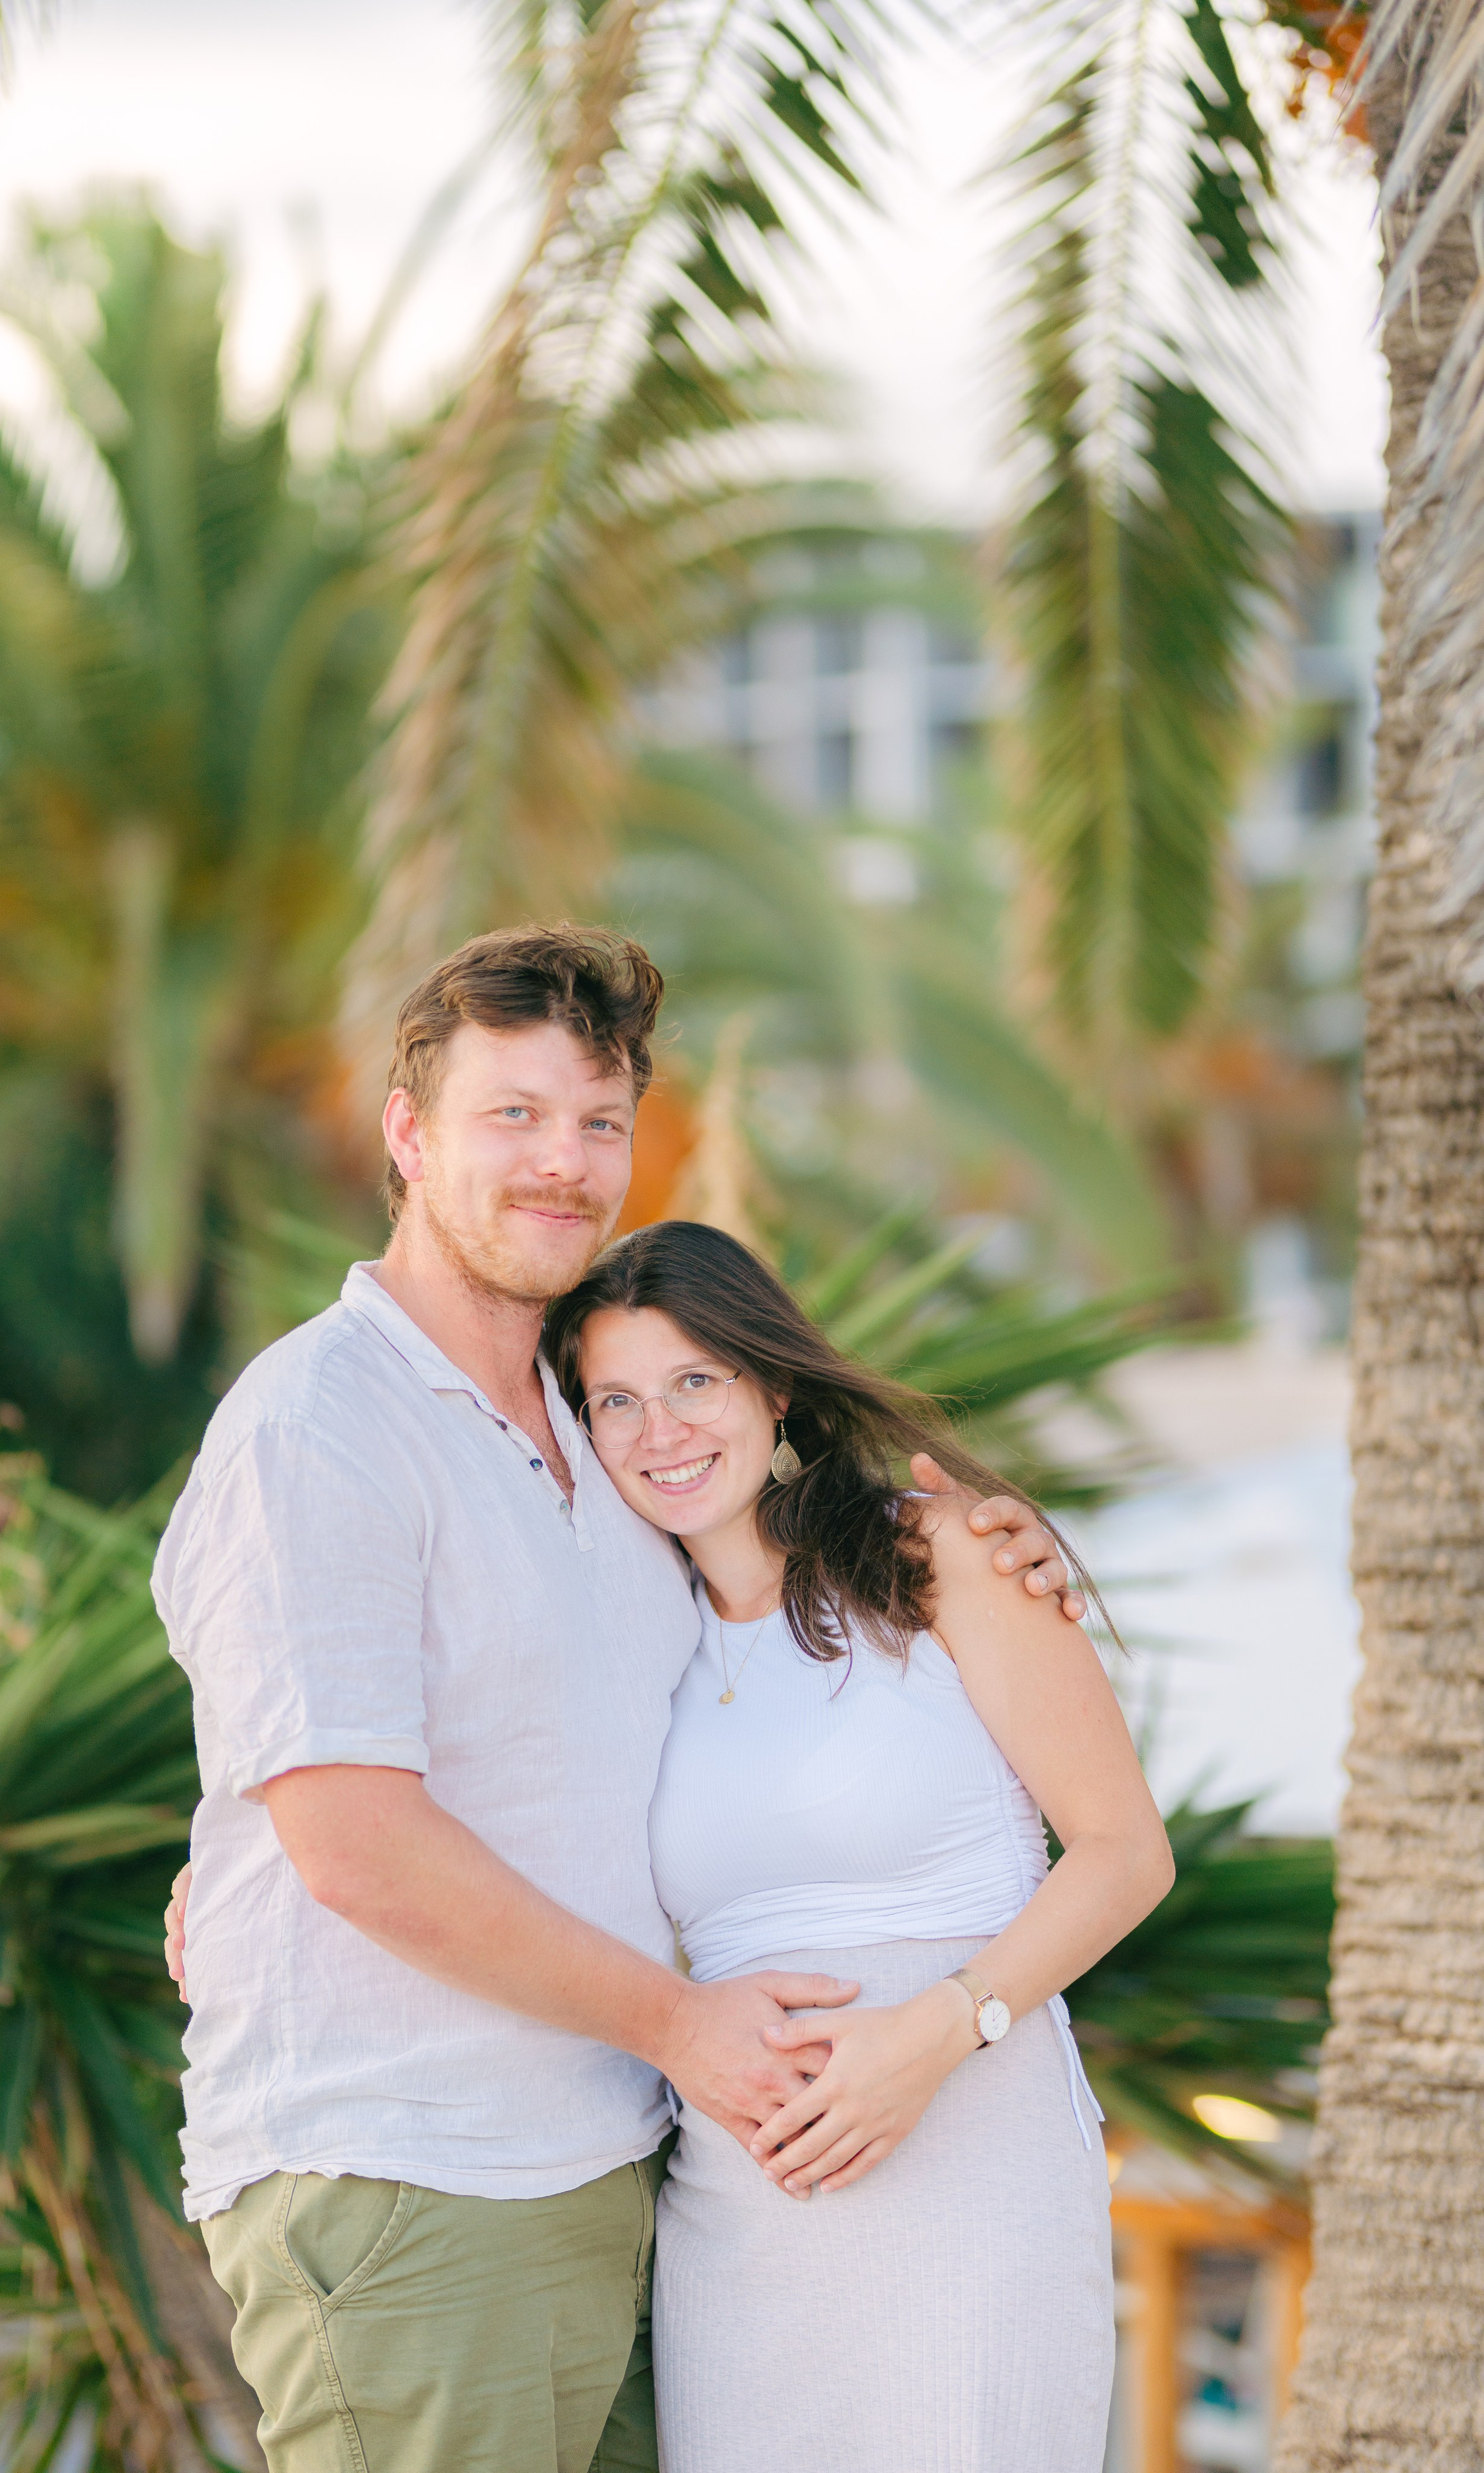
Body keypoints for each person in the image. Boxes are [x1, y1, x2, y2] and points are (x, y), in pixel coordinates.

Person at [155, 922, 1098, 2473]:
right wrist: (676, 2025)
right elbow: (352, 1843)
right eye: (511, 1114)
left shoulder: (594, 1439)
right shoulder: (319, 1424)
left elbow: (669, 1721)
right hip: (411, 2175)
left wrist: (988, 1543)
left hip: (624, 2169)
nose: (563, 1161)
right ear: (407, 1135)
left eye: (599, 1121)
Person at [543, 1218, 1175, 2473]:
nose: (660, 1431)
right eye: (615, 1401)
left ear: (773, 1386)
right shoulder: (623, 1644)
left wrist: (934, 2035)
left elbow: (1123, 1854)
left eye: (695, 1381)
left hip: (970, 2172)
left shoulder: (938, 1554)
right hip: (743, 2216)